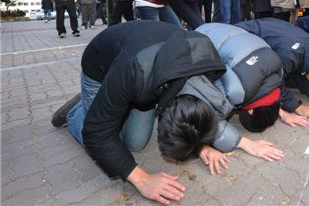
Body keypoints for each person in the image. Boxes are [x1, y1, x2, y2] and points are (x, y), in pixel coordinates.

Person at [51, 21, 283, 205]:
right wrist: (141, 179)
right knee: (102, 130)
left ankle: (110, 103)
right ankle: (76, 111)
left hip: (151, 74)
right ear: (162, 117)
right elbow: (97, 134)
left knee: (134, 143)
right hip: (102, 69)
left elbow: (205, 104)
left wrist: (203, 143)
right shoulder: (135, 71)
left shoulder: (209, 61)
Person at [196, 22, 309, 128]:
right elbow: (214, 111)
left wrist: (281, 113)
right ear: (251, 111)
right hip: (199, 38)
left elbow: (263, 89)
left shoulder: (279, 70)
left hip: (224, 29)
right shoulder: (235, 92)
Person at [237, 18, 309, 121]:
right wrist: (296, 106)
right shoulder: (290, 56)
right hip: (239, 37)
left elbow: (300, 69)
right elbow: (274, 82)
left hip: (260, 30)